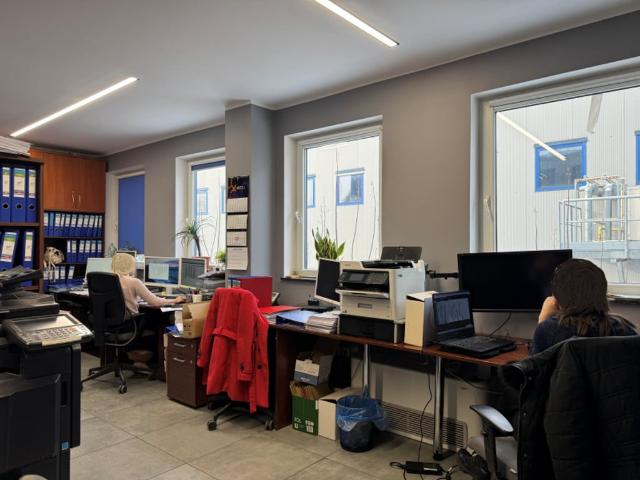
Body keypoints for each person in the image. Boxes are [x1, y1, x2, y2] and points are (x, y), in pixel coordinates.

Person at [530, 258, 636, 355]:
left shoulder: (549, 330)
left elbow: (533, 367)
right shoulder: (625, 329)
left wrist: (542, 319)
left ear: (557, 297)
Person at [111, 252, 185, 315]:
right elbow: (155, 302)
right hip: (131, 321)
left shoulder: (109, 279)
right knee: (162, 316)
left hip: (111, 322)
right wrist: (174, 300)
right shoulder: (134, 282)